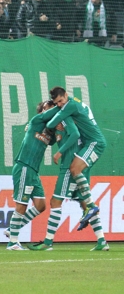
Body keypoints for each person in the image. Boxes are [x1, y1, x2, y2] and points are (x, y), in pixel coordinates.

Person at [27, 116, 109, 251]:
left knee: (55, 202)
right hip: (78, 168)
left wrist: (60, 152)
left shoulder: (66, 120)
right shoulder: (56, 127)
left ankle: (48, 242)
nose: (46, 112)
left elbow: (75, 133)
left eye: (48, 108)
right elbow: (49, 139)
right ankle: (102, 241)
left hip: (69, 166)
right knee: (85, 204)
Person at [44, 86, 106, 230]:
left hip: (94, 143)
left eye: (61, 101)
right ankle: (101, 240)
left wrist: (53, 119)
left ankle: (91, 206)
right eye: (57, 103)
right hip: (89, 143)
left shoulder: (70, 105)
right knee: (75, 170)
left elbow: (51, 123)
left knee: (74, 168)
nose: (59, 105)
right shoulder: (73, 102)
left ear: (66, 95)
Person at [6, 100, 58, 250]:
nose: (52, 108)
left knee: (41, 206)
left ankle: (12, 230)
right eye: (48, 106)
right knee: (21, 204)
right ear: (42, 110)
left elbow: (54, 138)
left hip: (33, 171)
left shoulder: (49, 131)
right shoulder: (35, 121)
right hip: (24, 166)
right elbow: (51, 115)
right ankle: (13, 242)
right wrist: (64, 107)